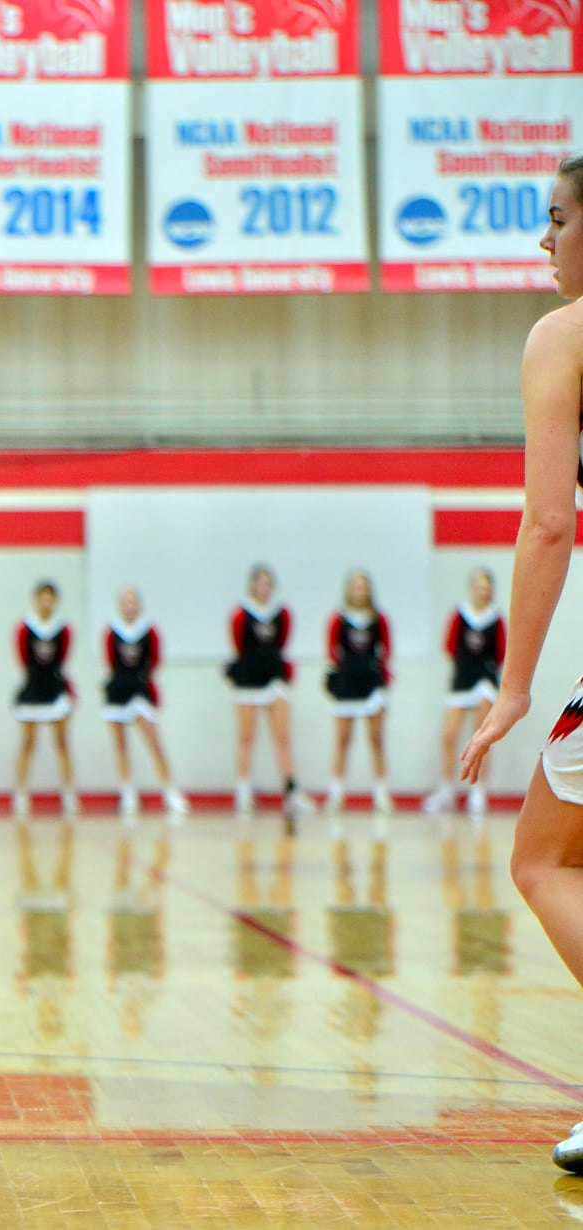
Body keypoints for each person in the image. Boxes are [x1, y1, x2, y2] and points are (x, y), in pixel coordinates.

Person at [456, 154, 583, 1174]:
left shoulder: (564, 335)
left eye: (557, 219)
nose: (543, 241)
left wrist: (512, 688)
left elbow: (548, 525)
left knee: (543, 861)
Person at [226, 565, 311, 823]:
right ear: (252, 586)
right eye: (259, 582)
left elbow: (282, 641)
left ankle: (291, 792)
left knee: (282, 737)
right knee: (246, 737)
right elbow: (238, 644)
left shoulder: (282, 614)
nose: (264, 587)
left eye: (268, 583)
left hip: (274, 677)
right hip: (248, 679)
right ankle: (243, 791)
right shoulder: (241, 614)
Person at [100, 587, 189, 824]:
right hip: (118, 690)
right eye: (125, 601)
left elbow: (156, 661)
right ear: (120, 605)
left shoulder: (149, 632)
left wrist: (142, 680)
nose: (129, 605)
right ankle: (127, 793)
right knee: (120, 746)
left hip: (141, 689)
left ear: (139, 605)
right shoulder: (111, 632)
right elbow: (110, 662)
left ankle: (170, 792)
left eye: (133, 601)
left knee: (154, 743)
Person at [424, 568, 504, 819]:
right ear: (471, 588)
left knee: (481, 737)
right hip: (461, 678)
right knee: (449, 736)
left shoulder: (496, 619)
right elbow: (448, 646)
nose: (483, 591)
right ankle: (447, 789)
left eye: (487, 586)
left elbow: (501, 653)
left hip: (485, 681)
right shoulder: (460, 615)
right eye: (479, 586)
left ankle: (478, 791)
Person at [323, 570, 393, 820]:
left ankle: (381, 794)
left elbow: (386, 651)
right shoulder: (338, 619)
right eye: (355, 586)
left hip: (372, 685)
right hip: (346, 686)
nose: (359, 591)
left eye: (363, 586)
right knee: (342, 741)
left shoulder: (379, 619)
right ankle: (336, 794)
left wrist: (379, 676)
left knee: (376, 740)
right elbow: (331, 652)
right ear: (348, 590)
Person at [13, 581, 76, 818]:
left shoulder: (63, 629)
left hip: (56, 690)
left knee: (62, 743)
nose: (46, 602)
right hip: (32, 689)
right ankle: (20, 794)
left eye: (51, 597)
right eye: (42, 597)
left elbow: (63, 658)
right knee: (28, 744)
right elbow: (21, 658)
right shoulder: (24, 628)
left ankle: (69, 794)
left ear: (55, 601)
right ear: (36, 600)